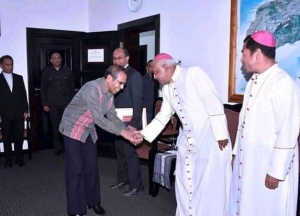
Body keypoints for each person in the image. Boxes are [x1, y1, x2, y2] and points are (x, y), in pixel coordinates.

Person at [135, 53, 232, 215]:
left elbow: (213, 102)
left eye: (156, 73)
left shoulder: (193, 73)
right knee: (185, 183)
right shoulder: (166, 88)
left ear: (166, 67)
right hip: (187, 140)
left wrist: (221, 134)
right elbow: (163, 116)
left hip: (209, 139)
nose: (155, 77)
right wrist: (144, 135)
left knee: (207, 186)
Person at [229, 31, 300, 216]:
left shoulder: (284, 83)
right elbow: (242, 123)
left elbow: (288, 130)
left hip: (268, 163)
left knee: (268, 208)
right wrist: (236, 152)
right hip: (250, 159)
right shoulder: (254, 81)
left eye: (244, 54)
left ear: (257, 54)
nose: (242, 60)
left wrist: (276, 171)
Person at [59, 64, 139, 216]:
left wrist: (126, 129)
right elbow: (99, 120)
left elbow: (112, 115)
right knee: (75, 170)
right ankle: (76, 210)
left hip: (88, 130)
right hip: (72, 129)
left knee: (91, 167)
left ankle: (93, 202)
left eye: (124, 84)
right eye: (120, 83)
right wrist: (123, 133)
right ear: (109, 78)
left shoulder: (109, 92)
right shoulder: (92, 89)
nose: (122, 87)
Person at [110, 48, 144, 196]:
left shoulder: (134, 75)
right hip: (116, 120)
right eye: (114, 58)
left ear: (127, 58)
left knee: (130, 153)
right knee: (119, 151)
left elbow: (138, 101)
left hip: (129, 122)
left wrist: (134, 124)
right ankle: (123, 180)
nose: (116, 60)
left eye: (119, 58)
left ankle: (137, 185)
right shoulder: (112, 75)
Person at [41, 51, 75, 156]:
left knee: (67, 126)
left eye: (59, 58)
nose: (57, 60)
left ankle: (68, 147)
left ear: (61, 59)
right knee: (55, 127)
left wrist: (73, 103)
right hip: (52, 105)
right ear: (51, 60)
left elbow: (72, 88)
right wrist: (45, 104)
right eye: (54, 58)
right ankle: (57, 148)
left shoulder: (67, 70)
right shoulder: (46, 72)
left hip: (66, 104)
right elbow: (43, 89)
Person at [0, 55, 29, 168]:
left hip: (18, 113)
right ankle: (8, 161)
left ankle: (19, 159)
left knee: (19, 137)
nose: (10, 67)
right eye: (7, 64)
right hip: (5, 114)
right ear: (1, 65)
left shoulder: (18, 78)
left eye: (11, 64)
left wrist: (25, 110)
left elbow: (23, 95)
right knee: (6, 138)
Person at [142, 60, 155, 124]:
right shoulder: (143, 79)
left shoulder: (158, 78)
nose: (152, 69)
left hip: (156, 107)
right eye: (150, 67)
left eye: (154, 67)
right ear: (147, 68)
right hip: (148, 108)